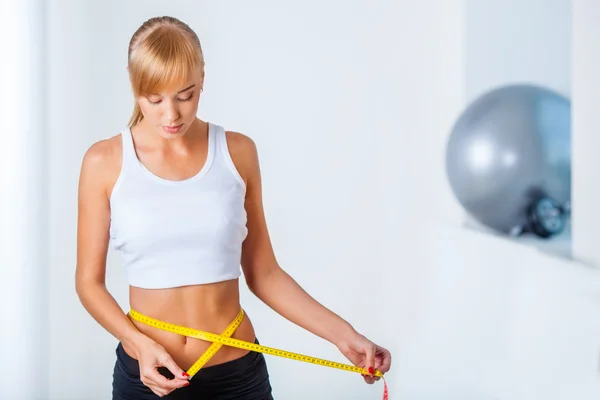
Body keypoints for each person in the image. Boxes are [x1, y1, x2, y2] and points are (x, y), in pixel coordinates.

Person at [75, 15, 391, 400]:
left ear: (203, 78)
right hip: (147, 378)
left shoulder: (237, 152)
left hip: (237, 378)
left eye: (185, 95)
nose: (170, 115)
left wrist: (346, 337)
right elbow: (88, 284)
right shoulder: (103, 162)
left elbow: (264, 273)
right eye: (154, 99)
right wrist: (137, 344)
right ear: (133, 82)